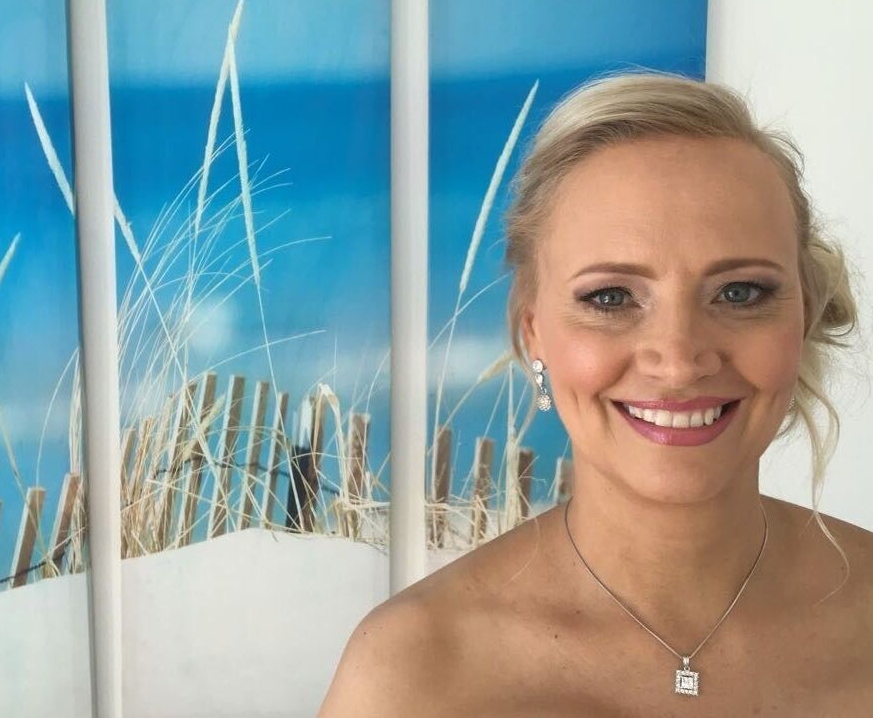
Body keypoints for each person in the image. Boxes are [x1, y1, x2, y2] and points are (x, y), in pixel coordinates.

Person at [319, 72, 873, 716]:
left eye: (740, 292)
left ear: (803, 316)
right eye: (611, 298)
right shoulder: (412, 675)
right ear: (533, 334)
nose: (679, 361)